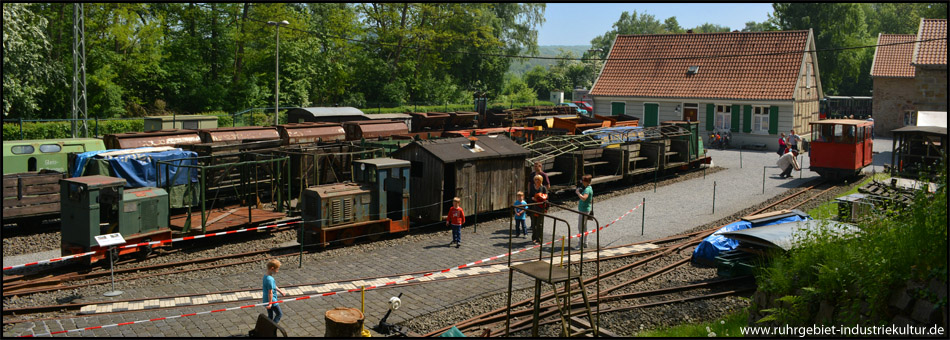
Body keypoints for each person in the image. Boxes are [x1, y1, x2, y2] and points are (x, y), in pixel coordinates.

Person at [262, 259, 288, 324]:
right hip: (272, 300)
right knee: (279, 314)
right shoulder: (270, 279)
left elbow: (273, 286)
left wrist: (280, 291)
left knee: (270, 315)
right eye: (277, 269)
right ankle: (272, 327)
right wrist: (270, 303)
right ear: (272, 268)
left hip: (266, 299)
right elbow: (270, 292)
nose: (277, 271)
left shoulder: (266, 276)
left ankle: (267, 327)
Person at [528, 175, 548, 244]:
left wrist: (541, 200)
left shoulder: (543, 188)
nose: (537, 181)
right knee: (534, 224)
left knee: (539, 224)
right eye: (536, 179)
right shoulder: (532, 187)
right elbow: (529, 196)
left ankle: (539, 239)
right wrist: (532, 198)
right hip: (533, 207)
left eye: (538, 180)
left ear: (541, 180)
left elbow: (546, 198)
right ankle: (534, 238)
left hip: (540, 208)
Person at [575, 175, 593, 250]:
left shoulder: (587, 190)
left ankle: (580, 244)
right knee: (584, 227)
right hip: (585, 209)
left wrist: (578, 193)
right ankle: (585, 243)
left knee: (580, 227)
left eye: (583, 181)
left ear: (586, 181)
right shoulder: (589, 188)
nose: (582, 182)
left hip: (584, 210)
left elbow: (584, 198)